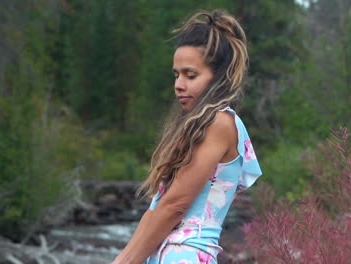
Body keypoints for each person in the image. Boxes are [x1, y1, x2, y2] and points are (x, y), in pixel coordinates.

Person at [112, 9, 262, 264]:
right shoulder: (200, 126)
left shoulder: (219, 123)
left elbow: (176, 205)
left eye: (190, 75)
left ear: (218, 76)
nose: (179, 84)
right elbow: (158, 209)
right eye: (176, 74)